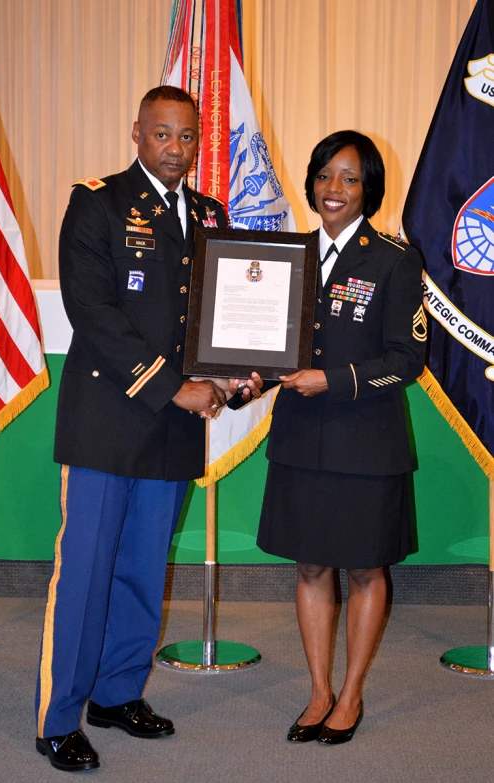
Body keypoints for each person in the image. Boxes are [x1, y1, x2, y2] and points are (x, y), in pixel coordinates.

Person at [35, 86, 261, 772]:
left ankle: (117, 692)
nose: (176, 148)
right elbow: (95, 314)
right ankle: (58, 717)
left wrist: (236, 375)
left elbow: (223, 320)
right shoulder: (97, 203)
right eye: (163, 134)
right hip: (110, 419)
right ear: (137, 134)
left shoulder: (212, 215)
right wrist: (177, 387)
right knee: (86, 573)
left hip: (171, 428)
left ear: (200, 141)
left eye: (187, 136)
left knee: (141, 570)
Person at [257, 130, 426, 745]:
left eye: (350, 178)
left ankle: (350, 694)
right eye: (326, 175)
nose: (334, 189)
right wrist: (241, 380)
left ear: (368, 189)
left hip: (366, 441)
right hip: (302, 438)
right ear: (312, 182)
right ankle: (318, 690)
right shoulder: (288, 258)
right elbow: (266, 347)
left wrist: (333, 380)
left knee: (363, 569)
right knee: (309, 566)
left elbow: (408, 359)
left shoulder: (395, 260)